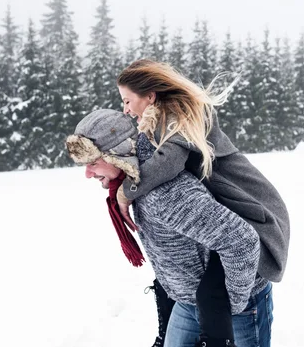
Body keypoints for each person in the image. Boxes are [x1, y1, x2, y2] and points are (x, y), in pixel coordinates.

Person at [114, 59, 291, 346]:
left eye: (127, 100)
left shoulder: (182, 116)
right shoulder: (157, 122)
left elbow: (168, 162)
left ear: (150, 96)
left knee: (234, 267)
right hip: (228, 212)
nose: (125, 109)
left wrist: (125, 192)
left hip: (253, 210)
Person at [66, 109, 271, 347]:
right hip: (189, 300)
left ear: (118, 156)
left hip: (236, 300)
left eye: (93, 163)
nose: (88, 174)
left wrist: (228, 308)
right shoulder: (135, 184)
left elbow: (241, 240)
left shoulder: (164, 194)